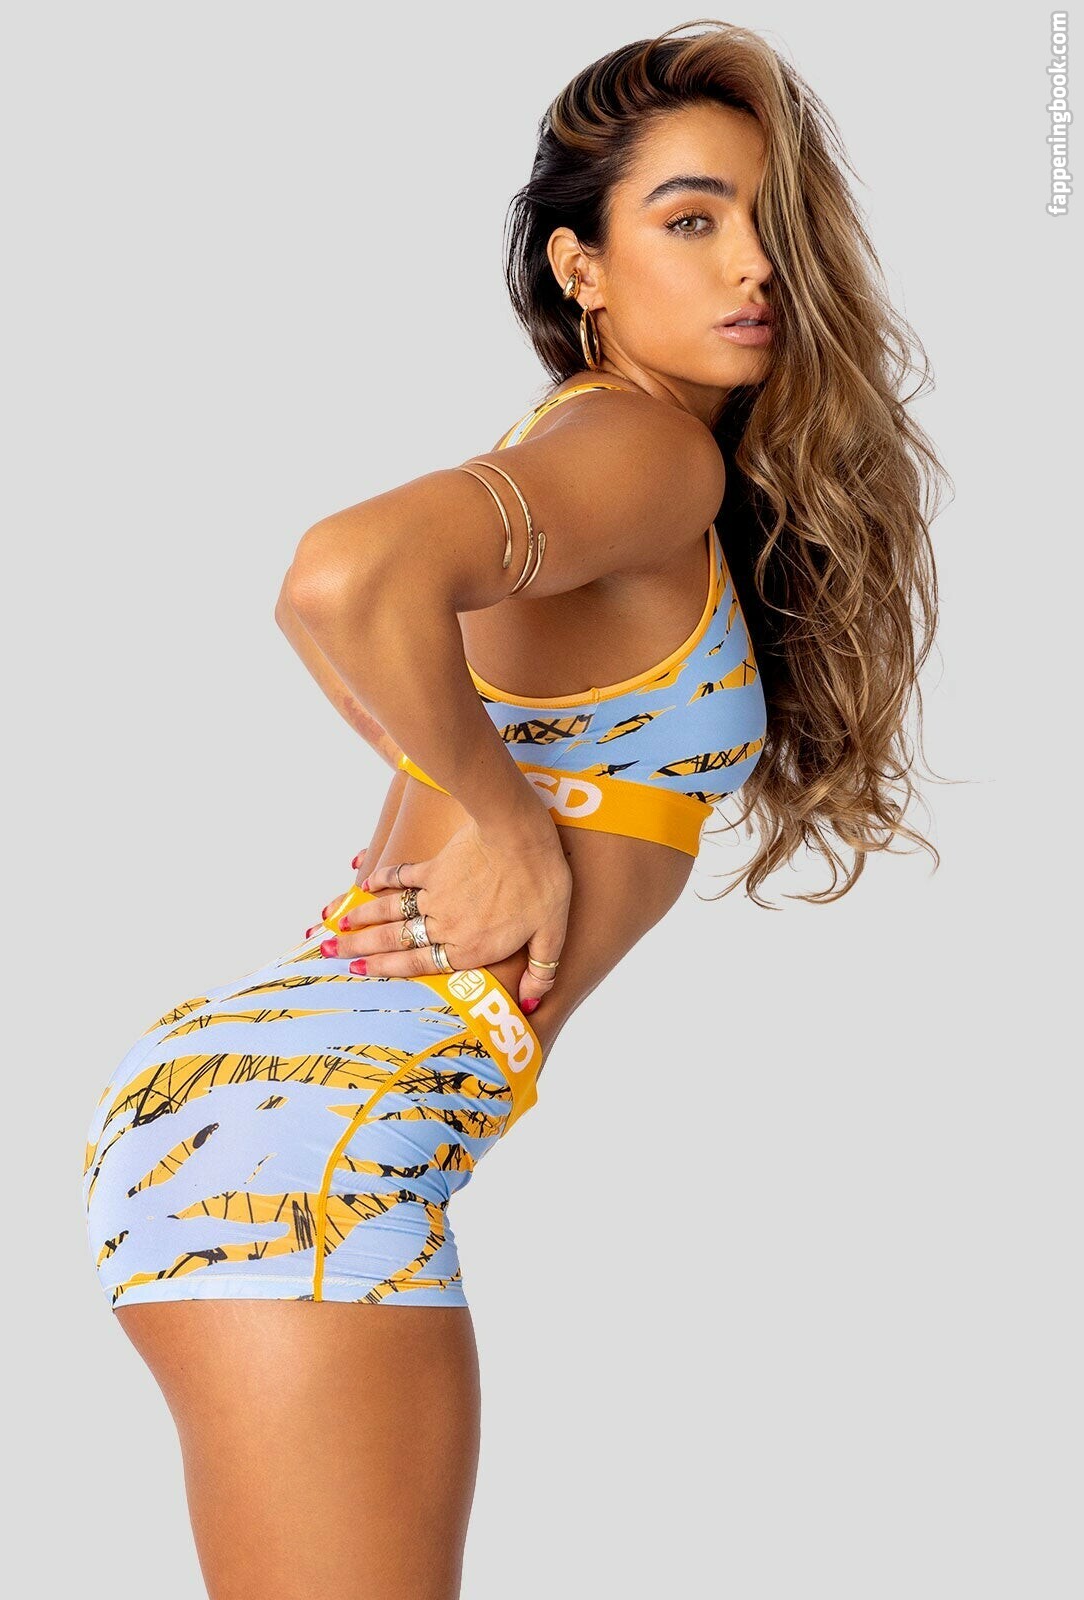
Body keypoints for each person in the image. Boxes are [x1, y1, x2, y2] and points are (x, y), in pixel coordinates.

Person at [81, 21, 946, 1599]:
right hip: (320, 1138)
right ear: (580, 265)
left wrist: (479, 794)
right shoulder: (645, 449)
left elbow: (359, 612)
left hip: (272, 1117)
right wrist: (502, 823)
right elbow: (339, 577)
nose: (752, 263)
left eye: (771, 220)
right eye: (690, 219)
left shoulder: (604, 456)